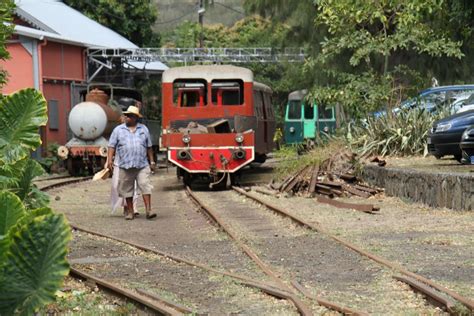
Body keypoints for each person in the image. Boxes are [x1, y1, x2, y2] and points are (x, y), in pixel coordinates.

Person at [107, 105, 156, 220]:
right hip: (125, 165)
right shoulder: (118, 130)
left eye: (129, 116)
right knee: (127, 189)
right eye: (126, 115)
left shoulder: (143, 129)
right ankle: (130, 212)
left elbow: (149, 147)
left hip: (142, 164)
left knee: (145, 185)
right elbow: (111, 146)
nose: (126, 118)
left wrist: (152, 161)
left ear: (135, 118)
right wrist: (109, 159)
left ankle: (149, 210)